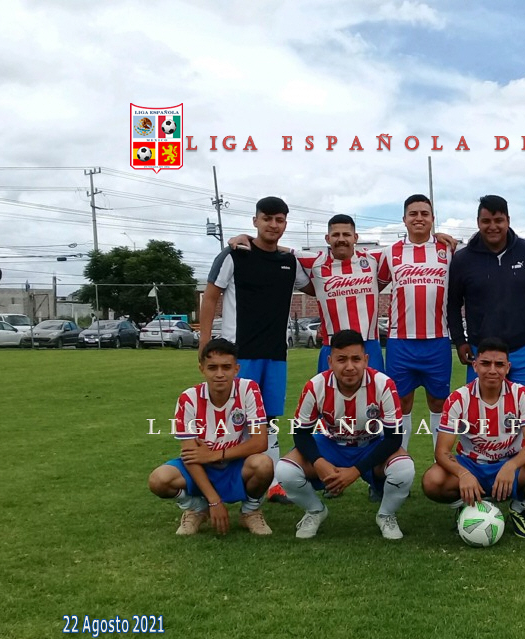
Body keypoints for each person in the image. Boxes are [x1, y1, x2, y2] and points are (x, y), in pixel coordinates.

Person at [204, 196, 312, 503]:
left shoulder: (289, 262)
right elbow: (210, 297)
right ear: (255, 221)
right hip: (240, 353)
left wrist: (295, 252)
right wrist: (205, 345)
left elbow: (317, 285)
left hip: (276, 354)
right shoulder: (234, 255)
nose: (273, 225)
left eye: (279, 220)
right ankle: (227, 479)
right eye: (267, 218)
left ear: (285, 224)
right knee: (236, 418)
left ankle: (273, 484)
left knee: (269, 419)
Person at [272, 329, 415, 540]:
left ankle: (386, 515)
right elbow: (301, 433)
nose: (349, 367)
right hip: (330, 445)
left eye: (356, 359)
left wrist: (355, 471)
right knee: (285, 471)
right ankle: (315, 510)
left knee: (404, 468)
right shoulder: (315, 386)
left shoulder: (383, 384)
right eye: (341, 359)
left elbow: (394, 438)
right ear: (330, 361)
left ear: (366, 360)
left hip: (371, 444)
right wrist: (319, 461)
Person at [422, 337, 525, 539]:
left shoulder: (523, 395)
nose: (492, 370)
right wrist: (463, 474)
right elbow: (441, 451)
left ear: (508, 368)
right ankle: (466, 508)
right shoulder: (458, 398)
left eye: (499, 364)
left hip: (511, 463)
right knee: (432, 480)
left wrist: (511, 466)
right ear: (475, 366)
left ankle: (519, 509)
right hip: (472, 465)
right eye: (485, 363)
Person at [147, 338, 274, 536]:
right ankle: (197, 508)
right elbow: (190, 456)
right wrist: (214, 501)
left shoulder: (249, 389)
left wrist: (215, 454)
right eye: (213, 367)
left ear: (236, 369)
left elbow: (260, 442)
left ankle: (250, 511)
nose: (220, 374)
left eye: (226, 367)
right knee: (158, 480)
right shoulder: (188, 398)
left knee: (264, 465)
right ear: (202, 369)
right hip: (201, 467)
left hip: (235, 465)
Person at [447, 195, 525, 407]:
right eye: (486, 221)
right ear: (478, 222)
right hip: (482, 352)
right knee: (480, 417)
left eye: (498, 220)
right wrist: (460, 341)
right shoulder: (463, 259)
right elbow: (452, 305)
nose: (493, 227)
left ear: (508, 220)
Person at [377, 194, 454, 451]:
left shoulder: (448, 250)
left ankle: (441, 462)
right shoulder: (390, 253)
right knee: (401, 403)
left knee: (439, 402)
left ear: (432, 218)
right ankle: (399, 462)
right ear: (404, 219)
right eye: (413, 214)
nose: (419, 218)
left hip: (437, 340)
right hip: (401, 341)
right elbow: (372, 284)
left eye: (424, 214)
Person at [298, 214, 384, 373]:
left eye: (346, 234)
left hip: (369, 344)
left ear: (355, 237)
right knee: (328, 389)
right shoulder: (315, 262)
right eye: (336, 235)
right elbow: (278, 249)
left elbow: (405, 249)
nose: (341, 239)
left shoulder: (373, 258)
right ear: (327, 238)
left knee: (374, 389)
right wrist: (250, 239)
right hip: (331, 345)